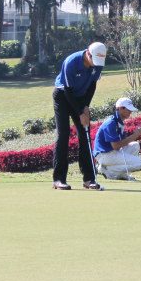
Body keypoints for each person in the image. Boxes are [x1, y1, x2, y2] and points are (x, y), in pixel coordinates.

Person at [52, 42, 107, 190]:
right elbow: (68, 91)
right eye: (93, 61)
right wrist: (80, 113)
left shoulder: (98, 63)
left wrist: (86, 108)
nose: (95, 65)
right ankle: (58, 179)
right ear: (88, 54)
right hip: (63, 96)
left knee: (85, 134)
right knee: (63, 134)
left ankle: (89, 179)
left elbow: (92, 85)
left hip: (81, 97)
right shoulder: (71, 62)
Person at [93, 97, 141, 180]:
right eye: (128, 109)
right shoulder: (111, 123)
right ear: (120, 109)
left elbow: (120, 143)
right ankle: (109, 171)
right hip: (104, 155)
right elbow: (116, 146)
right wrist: (135, 135)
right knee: (139, 163)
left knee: (135, 145)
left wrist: (135, 135)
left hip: (111, 152)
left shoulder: (118, 121)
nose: (130, 111)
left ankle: (121, 174)